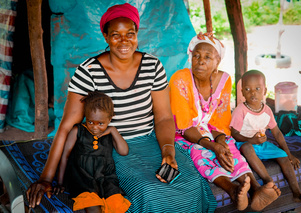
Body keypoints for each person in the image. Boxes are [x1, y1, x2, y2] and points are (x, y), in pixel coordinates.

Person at [26, 3, 216, 212]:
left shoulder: (152, 66)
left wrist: (168, 150)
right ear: (105, 37)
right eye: (116, 35)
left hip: (150, 140)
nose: (124, 41)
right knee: (148, 189)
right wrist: (45, 179)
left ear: (137, 35)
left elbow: (163, 118)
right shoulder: (88, 71)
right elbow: (66, 126)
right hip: (112, 147)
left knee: (191, 183)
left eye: (130, 33)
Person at [169, 32, 281, 211]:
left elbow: (219, 121)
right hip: (184, 133)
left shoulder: (224, 80)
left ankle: (255, 188)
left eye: (207, 57)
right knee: (200, 152)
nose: (200, 61)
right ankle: (233, 190)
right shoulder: (180, 79)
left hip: (211, 129)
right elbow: (184, 126)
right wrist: (213, 147)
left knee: (230, 146)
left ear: (217, 62)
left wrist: (221, 141)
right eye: (196, 56)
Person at [230, 69, 301, 207]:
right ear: (242, 92)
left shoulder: (267, 110)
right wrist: (252, 140)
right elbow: (234, 134)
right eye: (247, 89)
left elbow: (277, 133)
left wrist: (289, 153)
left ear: (264, 90)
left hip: (261, 145)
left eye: (257, 88)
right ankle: (269, 182)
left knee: (283, 157)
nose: (252, 92)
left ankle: (297, 192)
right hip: (243, 144)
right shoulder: (240, 110)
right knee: (247, 147)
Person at [52, 91, 130, 212]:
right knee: (92, 206)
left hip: (105, 178)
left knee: (116, 204)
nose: (94, 127)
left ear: (110, 119)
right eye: (90, 122)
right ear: (86, 117)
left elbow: (124, 151)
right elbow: (65, 156)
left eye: (100, 123)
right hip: (83, 177)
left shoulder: (110, 134)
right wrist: (60, 182)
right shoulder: (77, 131)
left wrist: (113, 130)